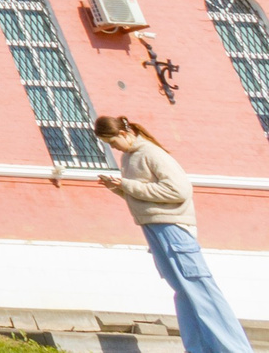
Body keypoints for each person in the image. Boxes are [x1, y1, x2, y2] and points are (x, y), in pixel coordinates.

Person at [94, 114, 250, 353]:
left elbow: (178, 190)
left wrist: (126, 185)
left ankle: (234, 349)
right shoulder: (129, 157)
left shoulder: (151, 153)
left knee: (200, 289)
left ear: (124, 134)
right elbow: (145, 196)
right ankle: (198, 348)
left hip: (174, 229)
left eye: (113, 142)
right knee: (184, 292)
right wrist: (118, 188)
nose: (113, 147)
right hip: (154, 227)